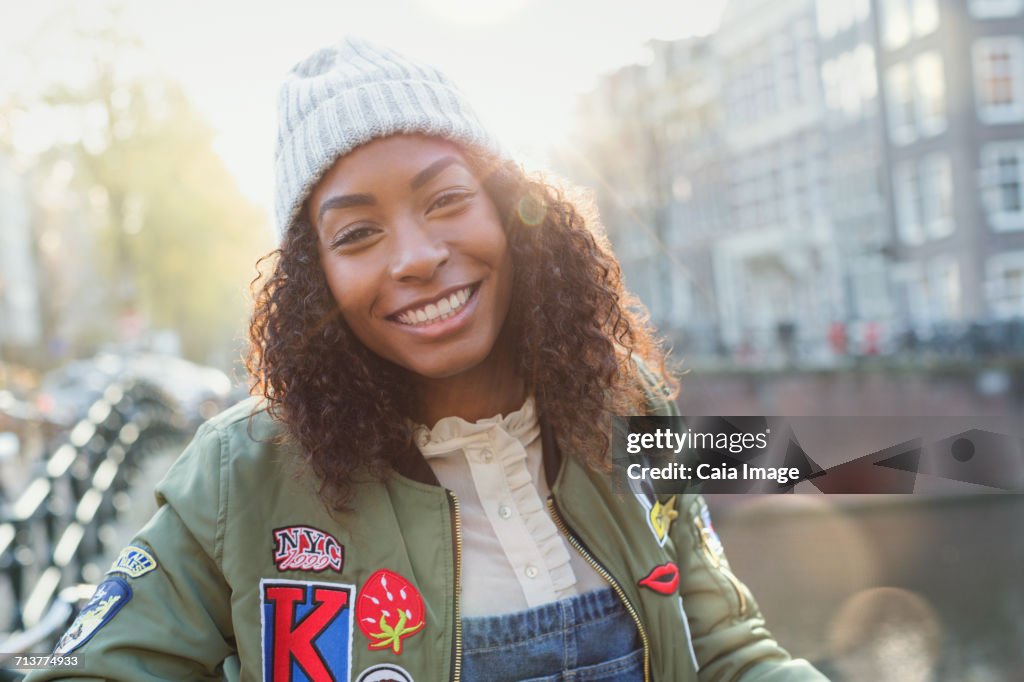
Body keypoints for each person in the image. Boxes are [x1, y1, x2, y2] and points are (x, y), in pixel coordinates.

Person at [28, 38, 828, 681]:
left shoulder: (630, 404)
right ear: (316, 284)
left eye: (446, 200)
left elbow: (723, 647)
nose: (414, 256)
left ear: (513, 211)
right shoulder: (241, 477)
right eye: (358, 234)